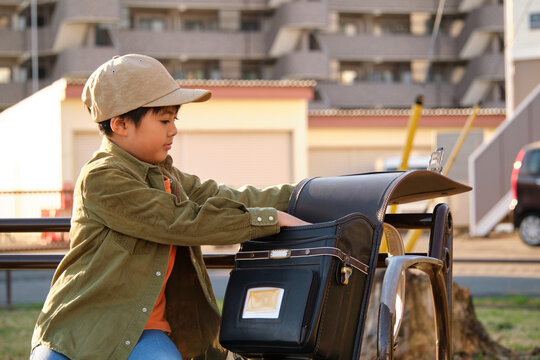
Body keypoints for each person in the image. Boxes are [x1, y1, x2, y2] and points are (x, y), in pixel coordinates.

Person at [31, 54, 309, 360]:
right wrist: (273, 219)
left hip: (144, 332)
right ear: (121, 124)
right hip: (82, 329)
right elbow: (180, 220)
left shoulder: (164, 173)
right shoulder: (102, 177)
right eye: (164, 120)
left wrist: (305, 195)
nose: (173, 129)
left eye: (174, 119)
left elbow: (222, 195)